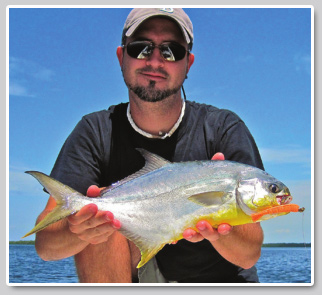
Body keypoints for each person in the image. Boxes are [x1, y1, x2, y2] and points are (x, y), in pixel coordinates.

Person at [34, 8, 264, 283]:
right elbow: (45, 247)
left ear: (188, 63)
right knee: (101, 221)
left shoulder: (224, 128)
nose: (155, 61)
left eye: (171, 51)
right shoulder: (94, 131)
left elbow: (249, 253)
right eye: (141, 48)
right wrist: (77, 229)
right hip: (136, 273)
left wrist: (218, 222)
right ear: (122, 57)